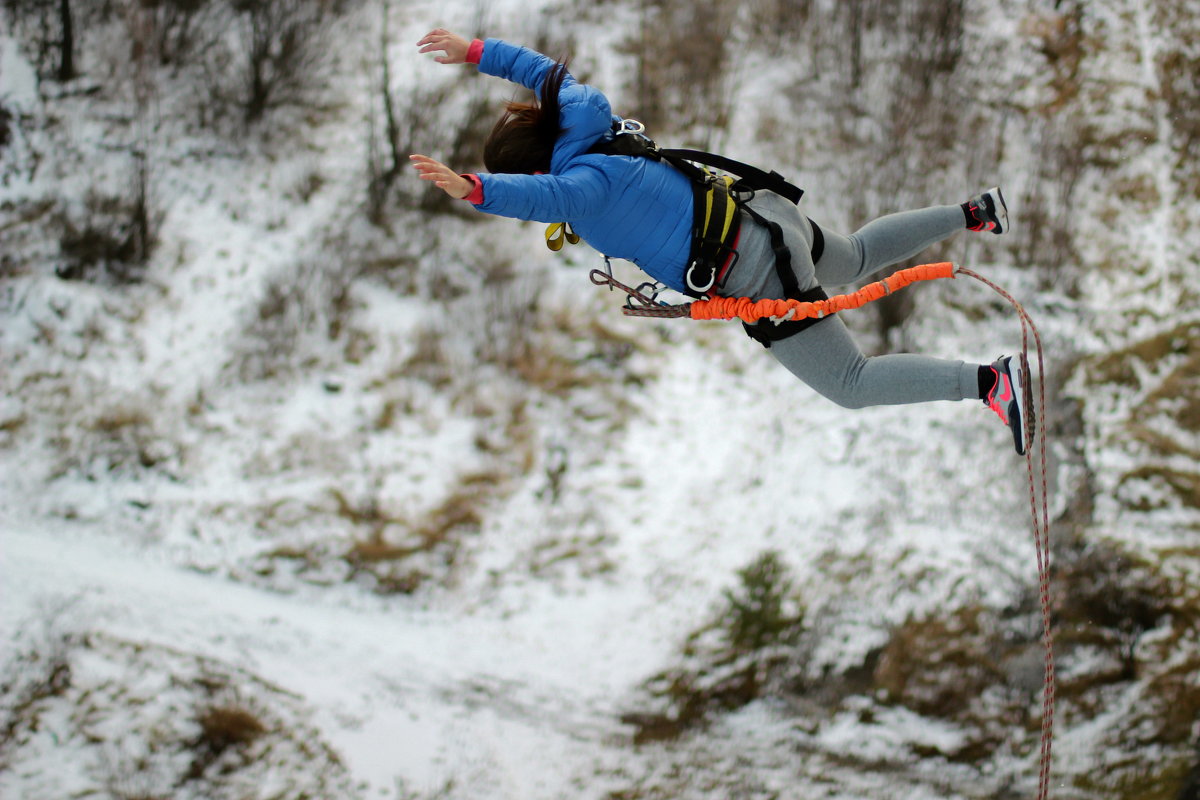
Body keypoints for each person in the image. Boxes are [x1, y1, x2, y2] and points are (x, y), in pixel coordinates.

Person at [410, 29, 1032, 454]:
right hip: (761, 217)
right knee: (860, 255)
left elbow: (539, 201)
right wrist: (474, 50)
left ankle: (988, 382)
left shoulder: (581, 188)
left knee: (850, 382)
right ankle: (974, 212)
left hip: (757, 276)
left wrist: (474, 190)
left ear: (538, 167)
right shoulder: (580, 111)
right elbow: (541, 71)